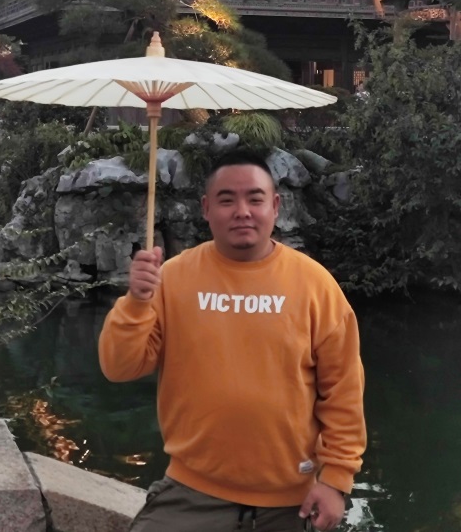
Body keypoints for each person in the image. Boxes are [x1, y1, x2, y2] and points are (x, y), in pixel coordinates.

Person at [99, 149, 365, 532]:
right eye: (227, 200)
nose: (242, 211)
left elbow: (343, 391)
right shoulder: (172, 278)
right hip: (192, 491)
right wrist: (136, 303)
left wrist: (336, 479)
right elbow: (119, 367)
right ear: (206, 209)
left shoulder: (315, 285)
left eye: (255, 199)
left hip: (291, 498)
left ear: (275, 206)